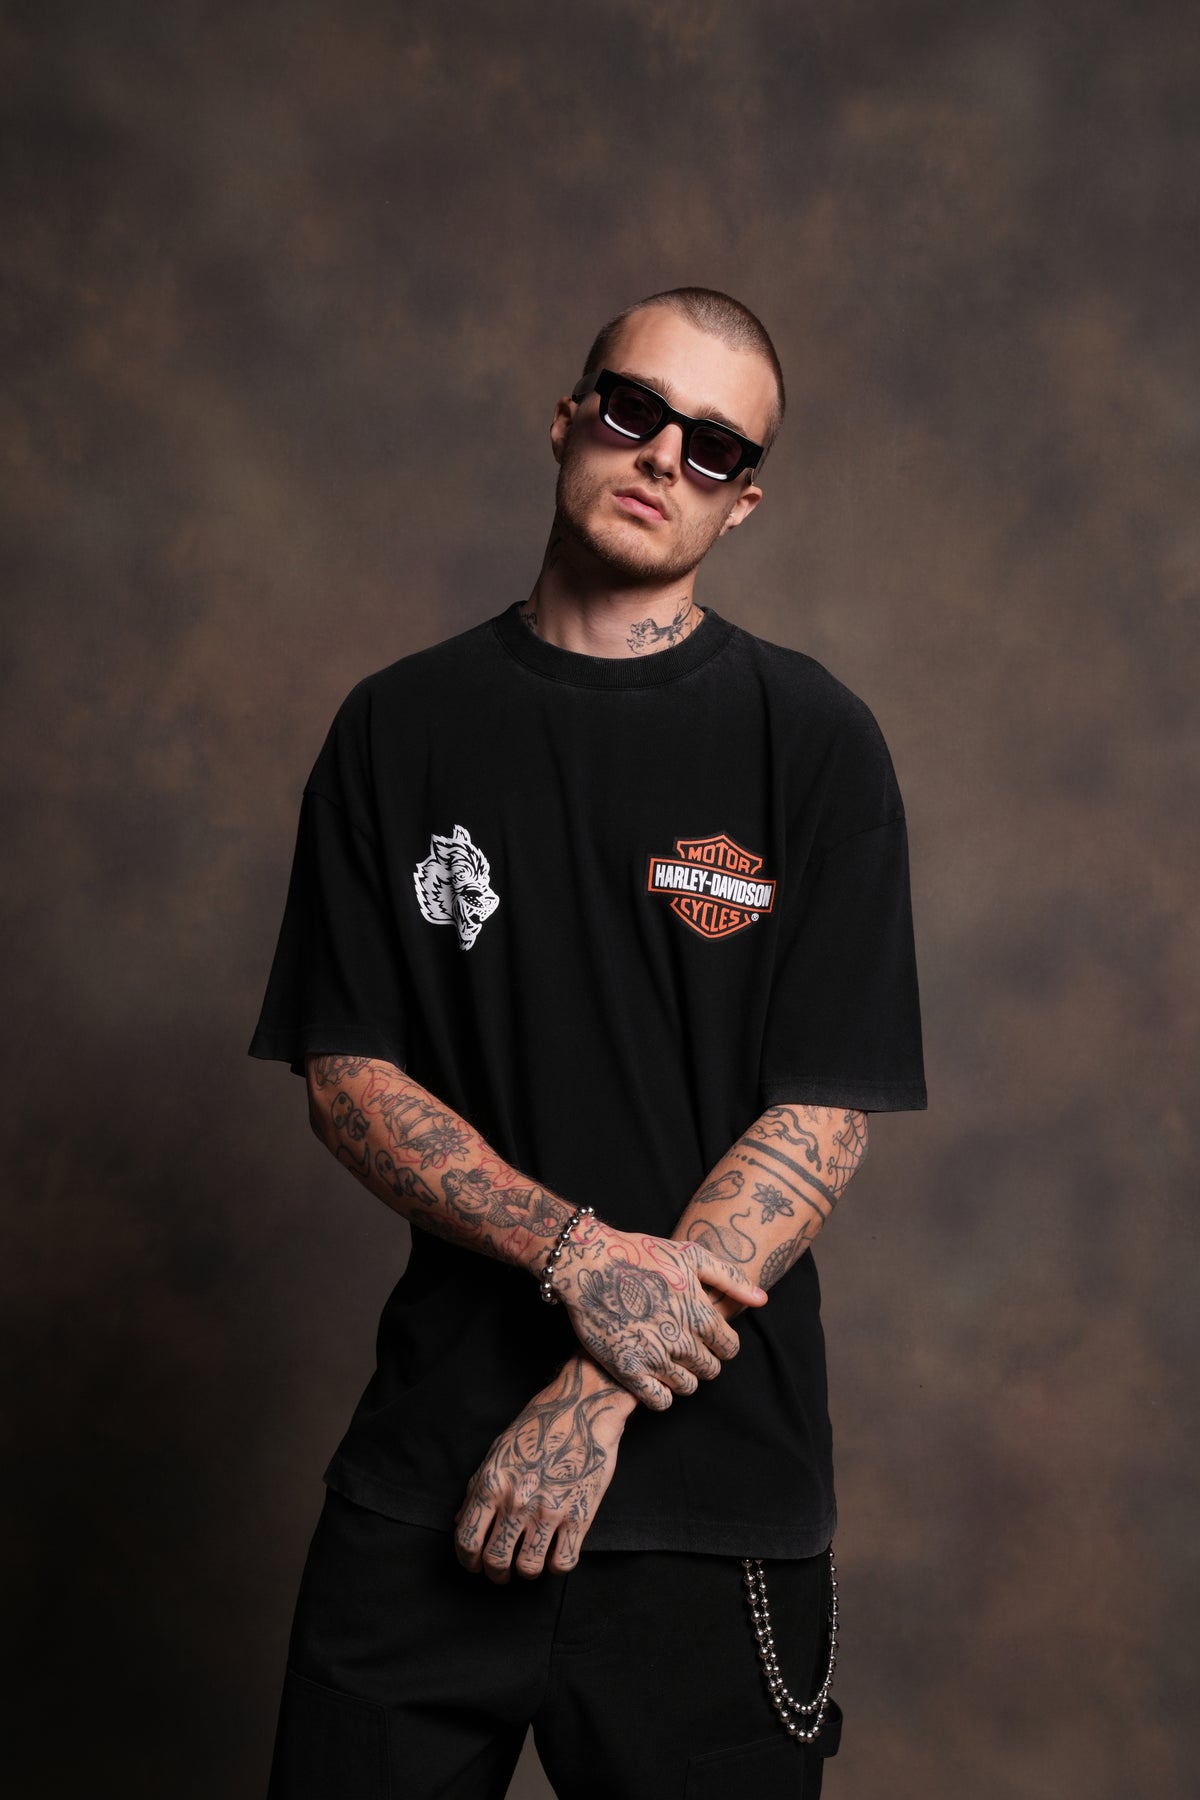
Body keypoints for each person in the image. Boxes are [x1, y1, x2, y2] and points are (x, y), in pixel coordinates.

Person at [250, 286, 926, 1799]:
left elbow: (820, 1116)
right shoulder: (396, 728)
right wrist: (571, 1255)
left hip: (715, 1511)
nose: (663, 455)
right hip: (430, 1484)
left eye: (715, 446)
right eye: (635, 409)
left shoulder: (814, 741)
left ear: (743, 502)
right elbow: (348, 1075)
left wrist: (597, 1386)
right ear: (568, 419)